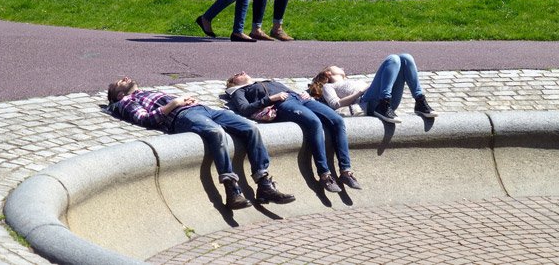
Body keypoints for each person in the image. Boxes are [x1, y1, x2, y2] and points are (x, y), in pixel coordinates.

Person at [107, 77, 295, 210]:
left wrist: (187, 100)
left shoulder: (146, 92)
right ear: (119, 94)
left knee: (251, 129)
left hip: (204, 109)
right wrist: (176, 103)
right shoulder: (126, 101)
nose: (124, 78)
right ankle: (232, 189)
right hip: (183, 116)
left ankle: (264, 184)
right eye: (119, 82)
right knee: (216, 133)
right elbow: (146, 119)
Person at [226, 72, 361, 193]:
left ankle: (346, 171)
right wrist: (271, 99)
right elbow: (244, 108)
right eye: (238, 74)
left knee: (337, 121)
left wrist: (305, 94)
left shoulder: (267, 81)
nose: (243, 72)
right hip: (283, 104)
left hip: (301, 99)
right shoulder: (239, 91)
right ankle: (324, 174)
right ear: (233, 83)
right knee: (314, 122)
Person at [309, 54, 438, 124]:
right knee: (392, 59)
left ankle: (419, 100)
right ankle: (384, 102)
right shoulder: (328, 86)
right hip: (368, 103)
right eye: (337, 66)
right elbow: (335, 104)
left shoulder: (350, 81)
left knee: (405, 58)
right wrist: (359, 92)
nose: (342, 68)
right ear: (328, 72)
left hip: (384, 102)